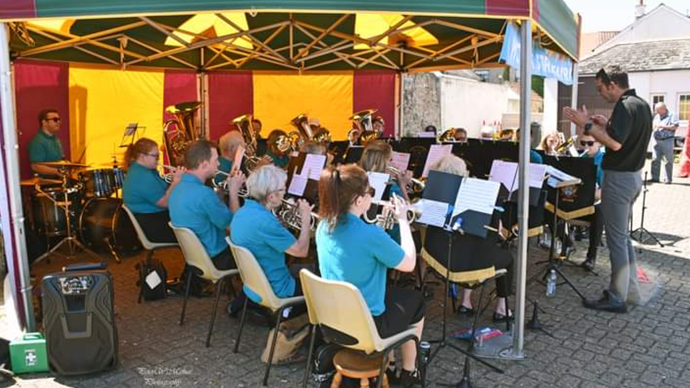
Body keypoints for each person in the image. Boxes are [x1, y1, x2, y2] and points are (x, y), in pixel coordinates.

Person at [316, 164, 424, 387]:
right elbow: (409, 264)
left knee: (396, 297)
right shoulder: (369, 233)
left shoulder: (323, 225)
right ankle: (409, 370)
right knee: (416, 302)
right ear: (358, 200)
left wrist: (380, 232)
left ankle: (391, 362)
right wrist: (403, 221)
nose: (372, 197)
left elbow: (359, 252)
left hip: (332, 321)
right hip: (367, 325)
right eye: (370, 193)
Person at [564, 65, 652, 312]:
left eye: (600, 87)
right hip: (633, 178)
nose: (600, 93)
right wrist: (606, 123)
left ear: (613, 84)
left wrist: (587, 126)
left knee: (615, 241)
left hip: (619, 180)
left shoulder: (624, 105)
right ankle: (630, 290)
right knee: (622, 239)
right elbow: (624, 137)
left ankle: (617, 297)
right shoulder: (641, 104)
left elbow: (614, 145)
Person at [424, 154, 514, 321]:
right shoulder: (479, 196)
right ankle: (502, 309)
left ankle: (466, 303)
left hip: (437, 255)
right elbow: (493, 237)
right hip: (463, 262)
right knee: (507, 257)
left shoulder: (432, 193)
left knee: (472, 245)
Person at [230, 165, 313, 300]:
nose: (285, 192)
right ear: (271, 197)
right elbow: (301, 251)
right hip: (278, 289)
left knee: (306, 269)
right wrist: (306, 219)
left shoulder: (242, 212)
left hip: (253, 286)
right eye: (282, 189)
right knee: (324, 279)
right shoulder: (266, 222)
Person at [169, 140, 245, 273]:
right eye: (216, 160)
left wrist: (220, 194)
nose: (219, 163)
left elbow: (204, 210)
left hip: (196, 259)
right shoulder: (204, 194)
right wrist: (234, 192)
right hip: (217, 259)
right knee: (263, 247)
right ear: (204, 164)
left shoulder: (177, 187)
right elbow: (234, 227)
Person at [122, 138, 182, 243]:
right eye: (155, 156)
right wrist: (176, 182)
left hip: (155, 219)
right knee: (198, 227)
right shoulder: (142, 176)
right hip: (154, 226)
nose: (158, 159)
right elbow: (165, 203)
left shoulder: (143, 171)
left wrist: (173, 182)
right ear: (142, 157)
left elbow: (164, 190)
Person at [359, 140, 412, 243]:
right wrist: (403, 186)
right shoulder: (392, 187)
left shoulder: (358, 179)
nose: (395, 163)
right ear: (382, 162)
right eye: (391, 159)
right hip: (391, 241)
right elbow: (409, 216)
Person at [578, 134, 605, 271]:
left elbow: (604, 191)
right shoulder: (579, 159)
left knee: (599, 213)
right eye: (583, 143)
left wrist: (591, 194)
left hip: (593, 202)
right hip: (577, 201)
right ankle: (564, 243)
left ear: (599, 143)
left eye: (590, 143)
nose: (586, 147)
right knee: (550, 205)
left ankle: (591, 256)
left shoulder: (605, 160)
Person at [29, 108, 65, 177]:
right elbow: (35, 166)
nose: (58, 122)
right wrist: (56, 171)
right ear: (44, 122)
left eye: (59, 119)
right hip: (47, 184)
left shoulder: (56, 139)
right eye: (55, 120)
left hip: (59, 181)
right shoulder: (38, 141)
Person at [650, 102, 679, 184]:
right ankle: (655, 178)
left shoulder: (672, 115)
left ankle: (668, 179)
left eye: (657, 110)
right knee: (655, 159)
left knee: (668, 160)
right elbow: (653, 126)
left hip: (667, 140)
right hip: (656, 140)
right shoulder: (656, 116)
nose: (656, 112)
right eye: (655, 110)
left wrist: (661, 126)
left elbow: (675, 127)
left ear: (663, 109)